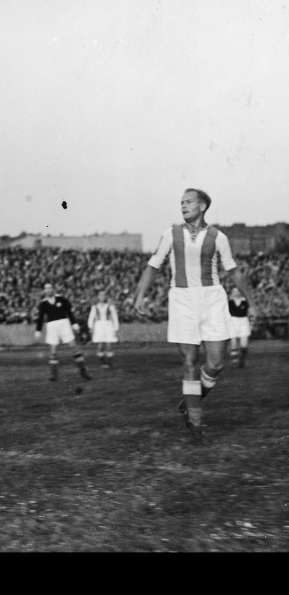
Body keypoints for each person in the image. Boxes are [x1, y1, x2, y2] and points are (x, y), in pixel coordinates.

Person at [134, 188, 256, 438]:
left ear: (202, 206)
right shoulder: (170, 234)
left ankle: (190, 401)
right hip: (182, 299)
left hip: (212, 299)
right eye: (181, 202)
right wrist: (139, 296)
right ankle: (195, 420)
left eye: (188, 202)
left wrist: (251, 301)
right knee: (189, 361)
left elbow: (234, 272)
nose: (183, 206)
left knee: (216, 363)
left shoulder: (218, 237)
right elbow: (153, 266)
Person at [34, 283, 91, 385]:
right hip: (51, 326)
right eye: (46, 288)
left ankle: (83, 372)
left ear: (53, 289)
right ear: (44, 291)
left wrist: (74, 324)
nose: (48, 290)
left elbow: (69, 312)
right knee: (53, 351)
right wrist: (38, 331)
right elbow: (40, 318)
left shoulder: (61, 299)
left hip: (64, 324)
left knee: (74, 347)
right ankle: (53, 375)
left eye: (50, 288)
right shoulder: (43, 304)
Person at [87, 290, 119, 369]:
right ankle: (103, 363)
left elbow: (115, 317)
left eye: (103, 295)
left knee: (108, 345)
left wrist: (116, 329)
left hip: (108, 325)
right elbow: (91, 317)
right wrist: (90, 327)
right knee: (100, 345)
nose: (102, 297)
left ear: (105, 297)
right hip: (99, 326)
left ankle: (109, 364)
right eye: (100, 295)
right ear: (98, 297)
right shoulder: (94, 307)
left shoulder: (110, 306)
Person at [227, 286, 252, 368]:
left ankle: (242, 361)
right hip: (233, 321)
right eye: (234, 291)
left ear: (240, 292)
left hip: (243, 321)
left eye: (237, 291)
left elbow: (249, 313)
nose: (235, 293)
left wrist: (251, 322)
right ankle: (235, 362)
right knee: (233, 343)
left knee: (244, 345)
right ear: (232, 293)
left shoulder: (245, 302)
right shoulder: (229, 302)